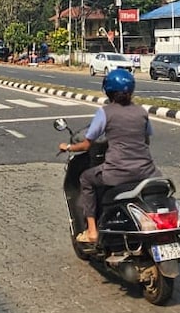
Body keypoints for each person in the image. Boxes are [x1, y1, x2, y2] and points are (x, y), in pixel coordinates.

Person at [57, 69, 159, 244]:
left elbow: (87, 143)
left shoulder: (105, 112)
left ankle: (91, 231)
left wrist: (68, 147)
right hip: (147, 171)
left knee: (86, 179)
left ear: (108, 91)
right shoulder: (141, 112)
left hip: (117, 172)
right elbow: (146, 140)